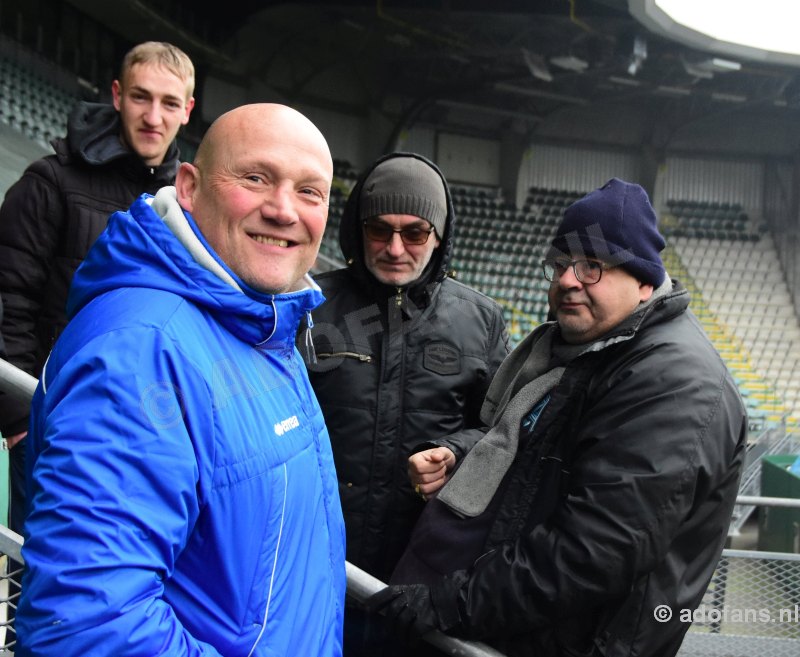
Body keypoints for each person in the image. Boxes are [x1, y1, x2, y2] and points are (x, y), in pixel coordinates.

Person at [16, 103, 346, 657]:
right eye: (256, 178)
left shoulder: (261, 319)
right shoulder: (141, 350)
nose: (284, 209)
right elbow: (87, 628)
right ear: (188, 186)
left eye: (310, 192)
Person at [370, 178, 748, 657]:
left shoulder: (676, 382)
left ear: (645, 281)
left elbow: (596, 550)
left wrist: (450, 603)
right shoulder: (590, 351)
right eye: (560, 264)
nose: (567, 279)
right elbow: (530, 449)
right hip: (504, 626)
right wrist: (463, 453)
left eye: (592, 266)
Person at [302, 152, 509, 654]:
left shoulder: (481, 321)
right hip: (311, 569)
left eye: (415, 232)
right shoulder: (306, 305)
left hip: (422, 584)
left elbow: (503, 432)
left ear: (438, 236)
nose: (396, 248)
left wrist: (455, 451)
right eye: (380, 230)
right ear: (357, 230)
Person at [0, 41, 195, 536]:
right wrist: (21, 419)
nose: (154, 117)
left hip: (147, 438)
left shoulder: (191, 208)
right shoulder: (49, 183)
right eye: (140, 97)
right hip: (53, 428)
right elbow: (9, 299)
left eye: (170, 103)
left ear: (188, 111)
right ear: (115, 95)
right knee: (40, 587)